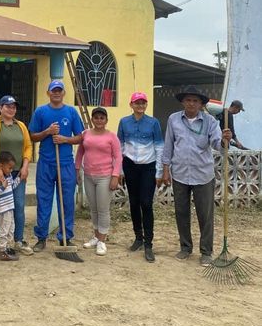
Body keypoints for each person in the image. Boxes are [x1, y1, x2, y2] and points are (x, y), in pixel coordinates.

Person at [161, 85, 231, 266]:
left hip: (203, 175)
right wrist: (165, 169)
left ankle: (206, 251)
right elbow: (168, 144)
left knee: (205, 215)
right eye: (188, 100)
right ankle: (185, 247)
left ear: (201, 104)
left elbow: (217, 145)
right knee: (181, 212)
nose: (191, 103)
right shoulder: (173, 119)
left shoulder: (210, 121)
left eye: (195, 101)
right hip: (180, 174)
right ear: (183, 102)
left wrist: (225, 140)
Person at [29, 80, 84, 252]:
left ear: (63, 93)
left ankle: (65, 237)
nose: (57, 93)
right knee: (43, 201)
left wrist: (65, 139)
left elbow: (80, 137)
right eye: (54, 90)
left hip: (66, 163)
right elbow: (32, 136)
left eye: (59, 90)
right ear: (48, 93)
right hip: (46, 163)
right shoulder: (40, 111)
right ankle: (41, 238)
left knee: (67, 203)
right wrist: (47, 132)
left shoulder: (71, 112)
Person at [0, 95, 33, 256]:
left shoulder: (21, 126)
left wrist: (25, 166)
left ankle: (18, 240)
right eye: (8, 106)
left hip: (17, 173)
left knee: (18, 205)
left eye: (13, 107)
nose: (11, 109)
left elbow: (28, 146)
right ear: (0, 108)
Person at [117, 92, 164, 263]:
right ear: (131, 105)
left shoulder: (153, 122)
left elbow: (159, 147)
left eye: (143, 103)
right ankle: (138, 237)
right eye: (137, 103)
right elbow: (120, 146)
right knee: (134, 202)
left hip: (148, 167)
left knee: (146, 203)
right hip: (130, 166)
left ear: (146, 105)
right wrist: (120, 170)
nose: (140, 106)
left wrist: (159, 172)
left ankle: (148, 243)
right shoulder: (124, 122)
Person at [75, 106, 122, 256]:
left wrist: (115, 176)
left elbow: (118, 157)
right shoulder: (85, 134)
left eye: (102, 118)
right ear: (92, 119)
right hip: (89, 176)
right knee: (93, 208)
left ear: (106, 120)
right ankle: (96, 236)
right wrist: (77, 169)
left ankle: (102, 240)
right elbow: (80, 152)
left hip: (105, 177)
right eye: (96, 118)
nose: (99, 120)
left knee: (103, 209)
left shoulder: (111, 136)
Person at [0, 151, 21, 261]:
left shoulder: (9, 176)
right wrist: (2, 187)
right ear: (1, 166)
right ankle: (2, 250)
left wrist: (19, 178)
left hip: (10, 208)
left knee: (11, 228)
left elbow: (12, 186)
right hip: (2, 209)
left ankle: (7, 247)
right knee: (4, 229)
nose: (11, 170)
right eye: (9, 168)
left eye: (12, 168)